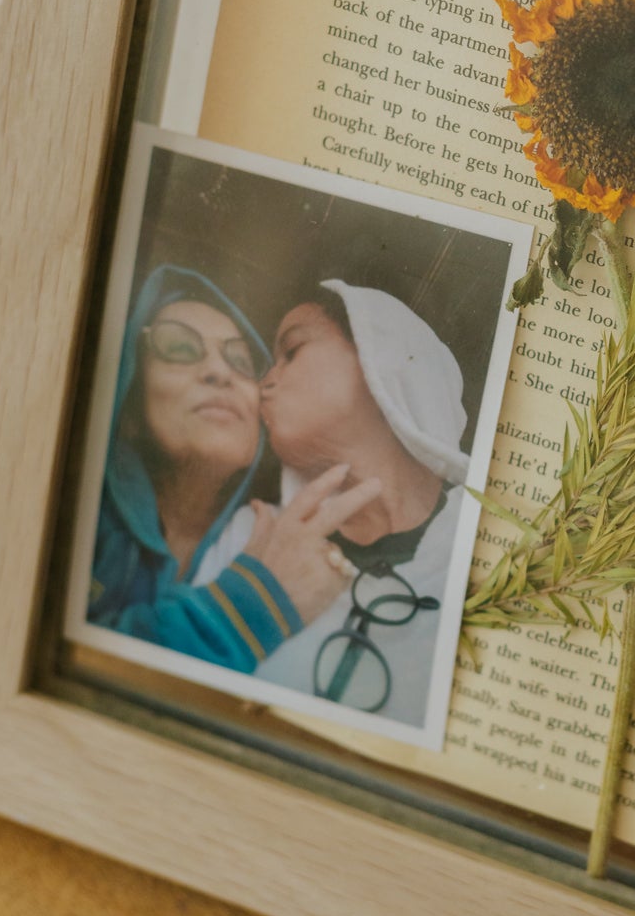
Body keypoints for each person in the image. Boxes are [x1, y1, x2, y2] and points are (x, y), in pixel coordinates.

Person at [200, 280, 469, 727]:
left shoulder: (490, 549)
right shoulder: (250, 540)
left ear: (381, 355)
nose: (264, 382)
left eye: (292, 350)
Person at [89, 264, 379, 670]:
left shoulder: (270, 533)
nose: (219, 372)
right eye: (179, 348)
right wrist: (250, 606)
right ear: (130, 404)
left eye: (241, 360)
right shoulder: (78, 520)